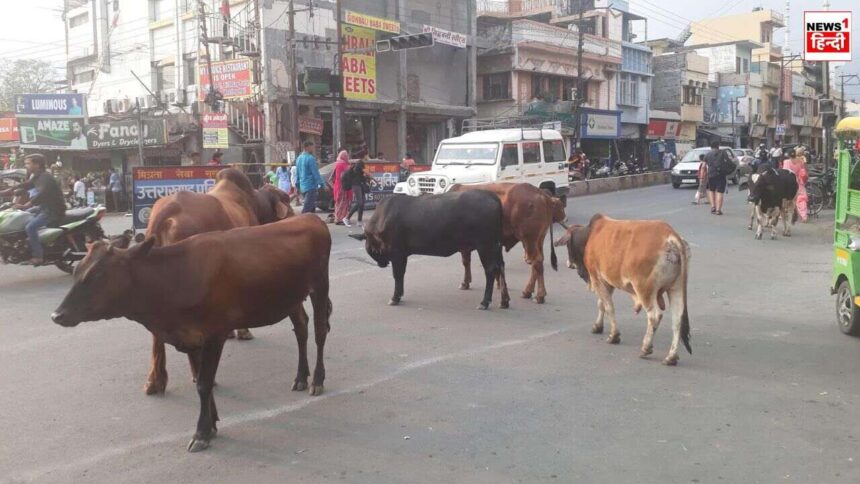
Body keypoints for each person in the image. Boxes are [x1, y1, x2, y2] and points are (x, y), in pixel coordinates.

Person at [12, 154, 66, 265]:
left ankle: (38, 256)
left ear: (37, 164)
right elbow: (25, 185)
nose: (26, 166)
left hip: (52, 210)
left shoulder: (45, 177)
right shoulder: (37, 176)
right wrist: (6, 191)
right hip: (43, 208)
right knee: (23, 215)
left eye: (28, 163)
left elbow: (42, 194)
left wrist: (26, 205)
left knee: (30, 227)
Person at [295, 140, 324, 214]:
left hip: (303, 187)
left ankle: (311, 224)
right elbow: (315, 173)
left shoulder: (298, 159)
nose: (313, 149)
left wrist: (297, 186)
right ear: (307, 147)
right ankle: (300, 224)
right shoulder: (310, 158)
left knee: (311, 209)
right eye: (312, 147)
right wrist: (322, 184)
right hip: (310, 186)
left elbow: (297, 174)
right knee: (307, 209)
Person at [704, 141, 731, 215]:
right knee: (719, 192)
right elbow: (728, 162)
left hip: (710, 175)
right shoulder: (723, 153)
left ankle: (713, 207)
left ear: (711, 146)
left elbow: (703, 166)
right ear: (718, 146)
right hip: (720, 174)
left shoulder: (707, 154)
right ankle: (718, 210)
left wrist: (703, 177)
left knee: (711, 190)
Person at [783, 146, 809, 222]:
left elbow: (785, 173)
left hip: (790, 183)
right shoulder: (800, 161)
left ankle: (786, 213)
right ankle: (804, 216)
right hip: (799, 182)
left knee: (787, 198)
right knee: (801, 199)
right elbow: (803, 171)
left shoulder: (786, 162)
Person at [347, 152, 372, 226]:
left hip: (361, 184)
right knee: (359, 203)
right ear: (364, 156)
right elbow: (366, 172)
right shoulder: (360, 162)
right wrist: (373, 178)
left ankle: (359, 221)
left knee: (362, 203)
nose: (368, 157)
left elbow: (363, 174)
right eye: (367, 155)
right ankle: (347, 218)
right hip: (356, 185)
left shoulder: (362, 163)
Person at [332, 150, 353, 226]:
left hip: (338, 186)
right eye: (346, 155)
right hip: (342, 186)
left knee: (339, 203)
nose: (347, 157)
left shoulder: (338, 164)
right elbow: (345, 175)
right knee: (342, 203)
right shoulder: (342, 164)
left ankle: (339, 218)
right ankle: (340, 219)